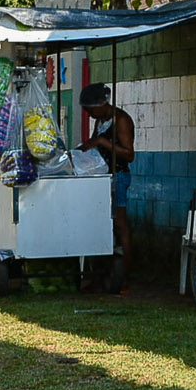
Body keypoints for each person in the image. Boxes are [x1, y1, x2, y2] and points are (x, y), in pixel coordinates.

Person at [78, 84, 136, 284]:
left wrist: (102, 143)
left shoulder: (121, 120)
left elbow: (129, 154)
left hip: (117, 176)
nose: (89, 114)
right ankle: (103, 270)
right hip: (102, 178)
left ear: (102, 104)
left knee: (120, 225)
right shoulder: (101, 121)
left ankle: (126, 272)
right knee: (102, 224)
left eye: (91, 110)